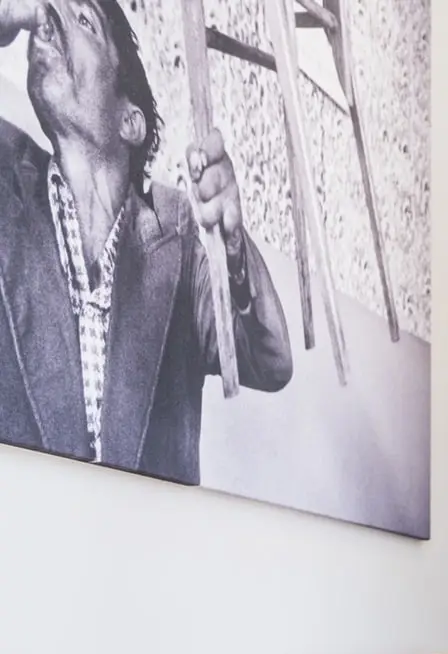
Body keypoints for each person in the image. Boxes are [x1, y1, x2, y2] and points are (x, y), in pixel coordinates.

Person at [0, 0, 291, 485]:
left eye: (84, 20)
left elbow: (271, 362)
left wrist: (234, 249)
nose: (46, 19)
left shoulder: (178, 239)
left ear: (129, 121)